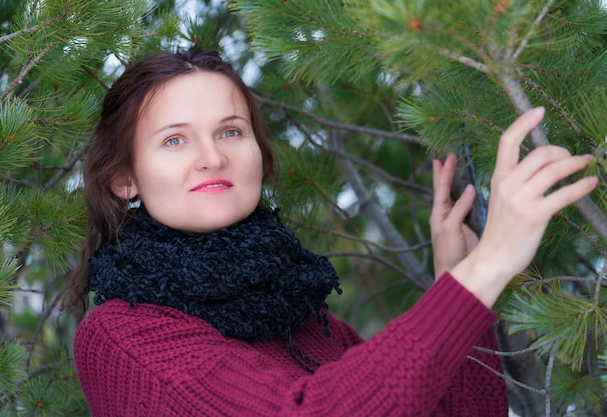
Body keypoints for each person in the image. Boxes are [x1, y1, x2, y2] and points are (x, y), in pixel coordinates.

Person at [64, 46, 597, 417]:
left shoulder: (309, 322)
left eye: (231, 131)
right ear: (123, 179)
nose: (212, 157)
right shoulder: (123, 337)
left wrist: (454, 283)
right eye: (175, 140)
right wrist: (488, 266)